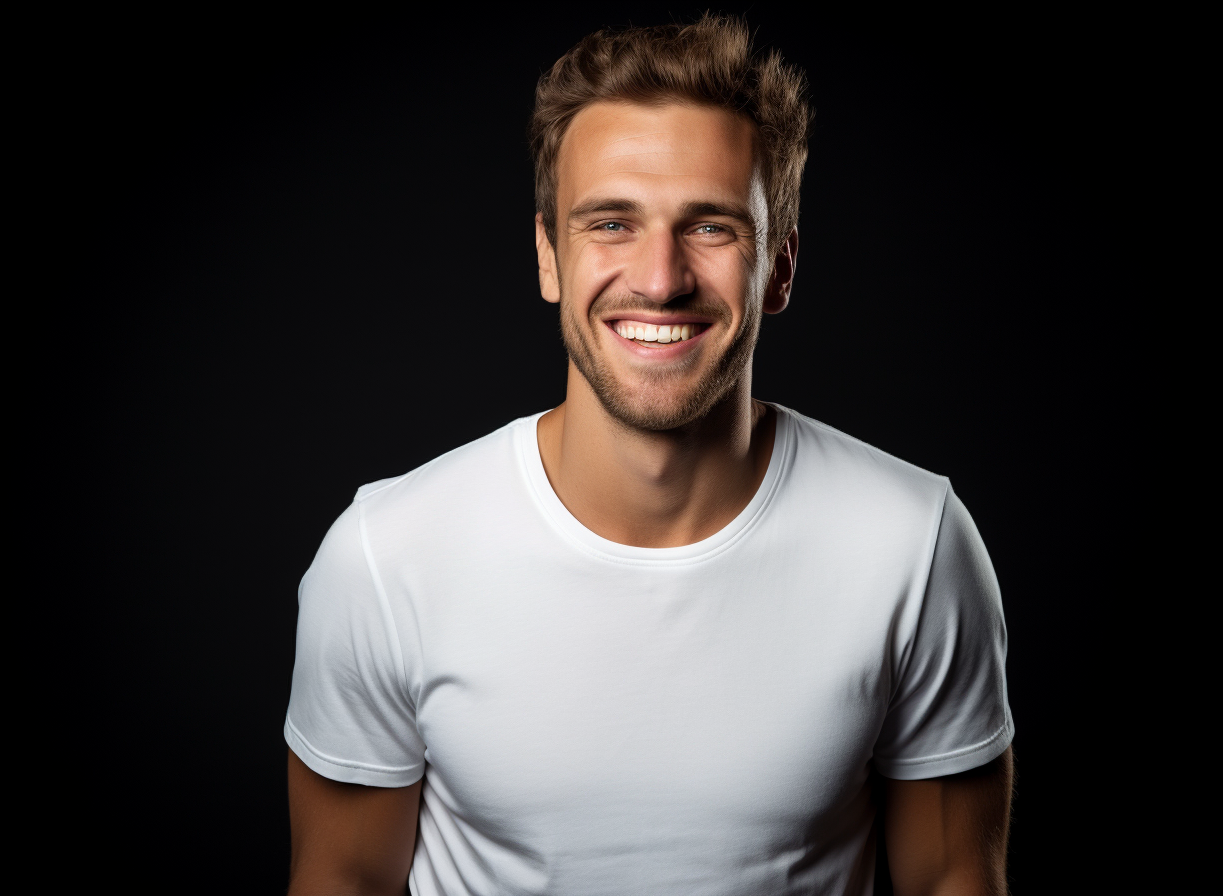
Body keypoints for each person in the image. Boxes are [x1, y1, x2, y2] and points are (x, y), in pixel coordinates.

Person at [284, 15, 1014, 896]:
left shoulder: (914, 544)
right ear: (549, 255)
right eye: (611, 224)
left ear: (778, 267)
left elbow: (954, 880)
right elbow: (342, 881)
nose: (660, 278)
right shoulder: (384, 557)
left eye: (709, 227)